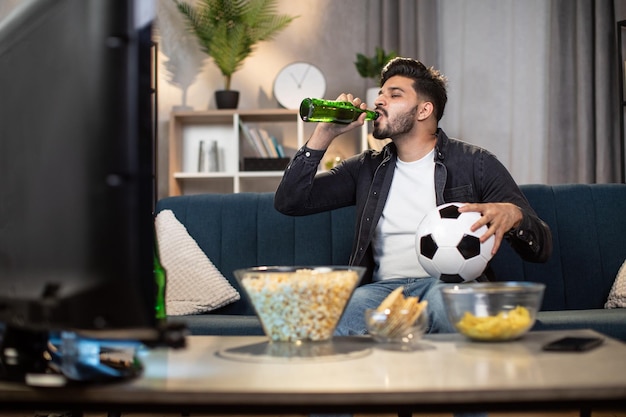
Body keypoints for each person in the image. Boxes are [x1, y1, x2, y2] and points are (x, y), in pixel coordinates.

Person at [274, 57, 552, 335]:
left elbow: (541, 247)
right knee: (336, 321)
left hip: (447, 285)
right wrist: (324, 134)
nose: (380, 101)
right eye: (381, 93)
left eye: (394, 94)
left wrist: (515, 216)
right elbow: (290, 202)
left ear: (423, 110)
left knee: (449, 312)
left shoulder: (476, 163)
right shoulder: (365, 167)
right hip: (381, 291)